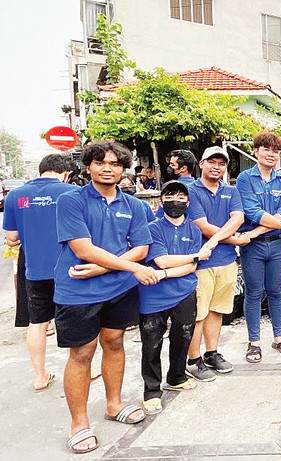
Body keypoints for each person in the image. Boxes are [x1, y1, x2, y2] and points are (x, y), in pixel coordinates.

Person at [54, 141, 158, 454]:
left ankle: (114, 404)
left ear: (123, 169)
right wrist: (131, 268)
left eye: (114, 163)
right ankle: (79, 422)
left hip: (118, 288)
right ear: (88, 166)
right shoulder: (71, 201)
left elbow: (142, 247)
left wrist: (104, 269)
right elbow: (81, 249)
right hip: (77, 290)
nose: (107, 168)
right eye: (100, 163)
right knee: (82, 353)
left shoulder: (135, 205)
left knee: (114, 342)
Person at [138, 181, 212, 415]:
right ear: (161, 201)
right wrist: (194, 256)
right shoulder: (152, 228)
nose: (175, 201)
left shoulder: (194, 229)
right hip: (153, 295)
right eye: (169, 196)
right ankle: (151, 390)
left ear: (188, 202)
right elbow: (162, 260)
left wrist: (167, 273)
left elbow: (191, 268)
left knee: (183, 335)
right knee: (152, 342)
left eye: (181, 197)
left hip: (184, 290)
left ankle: (176, 376)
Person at [3, 154, 75, 391]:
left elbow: (11, 238)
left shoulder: (16, 195)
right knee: (74, 319)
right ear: (65, 173)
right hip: (69, 266)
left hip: (34, 268)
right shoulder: (72, 192)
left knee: (37, 322)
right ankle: (83, 368)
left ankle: (40, 376)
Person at [186, 146, 247, 377]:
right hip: (201, 262)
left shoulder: (231, 191)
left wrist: (216, 240)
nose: (216, 167)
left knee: (217, 310)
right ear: (201, 164)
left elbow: (238, 217)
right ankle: (193, 359)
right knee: (198, 313)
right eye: (211, 162)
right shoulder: (190, 190)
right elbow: (202, 225)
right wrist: (234, 239)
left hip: (226, 259)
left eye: (221, 164)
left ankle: (212, 353)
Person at [236, 132, 281, 360]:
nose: (271, 154)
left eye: (275, 151)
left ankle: (279, 337)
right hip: (253, 248)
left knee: (275, 292)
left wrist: (256, 230)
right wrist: (279, 226)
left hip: (277, 246)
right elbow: (252, 212)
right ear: (256, 151)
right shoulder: (245, 178)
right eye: (266, 149)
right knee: (253, 293)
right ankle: (254, 342)